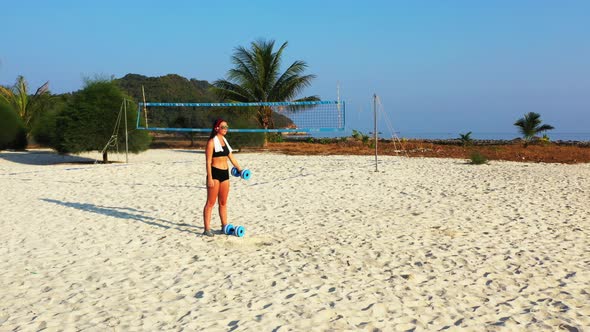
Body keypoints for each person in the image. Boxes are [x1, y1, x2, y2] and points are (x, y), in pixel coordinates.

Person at [202, 119, 243, 237]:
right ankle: (207, 229)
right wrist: (209, 177)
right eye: (223, 127)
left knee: (223, 202)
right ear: (216, 128)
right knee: (211, 202)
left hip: (225, 174)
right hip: (215, 173)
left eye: (226, 127)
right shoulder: (211, 142)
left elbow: (231, 157)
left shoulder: (224, 140)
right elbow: (208, 161)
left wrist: (240, 169)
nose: (225, 128)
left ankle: (224, 226)